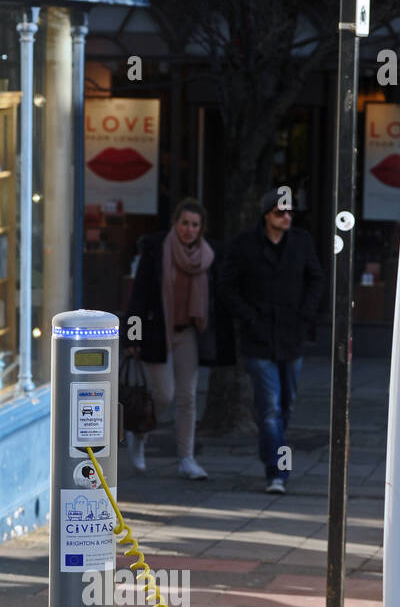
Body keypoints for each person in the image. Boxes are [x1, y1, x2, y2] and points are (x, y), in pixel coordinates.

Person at [219, 190, 325, 494]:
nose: (287, 217)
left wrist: (306, 315)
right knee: (271, 407)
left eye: (290, 212)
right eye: (280, 212)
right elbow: (226, 286)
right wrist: (249, 317)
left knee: (286, 404)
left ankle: (271, 452)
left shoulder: (301, 243)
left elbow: (316, 278)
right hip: (259, 338)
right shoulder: (244, 245)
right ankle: (278, 471)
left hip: (291, 336)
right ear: (266, 214)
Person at [124, 199, 228, 479]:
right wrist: (131, 337)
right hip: (158, 331)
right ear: (175, 223)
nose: (189, 230)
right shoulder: (156, 250)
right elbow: (139, 296)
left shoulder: (209, 255)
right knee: (163, 394)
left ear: (201, 228)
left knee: (188, 398)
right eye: (184, 223)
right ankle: (139, 431)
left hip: (189, 333)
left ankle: (187, 458)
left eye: (195, 225)